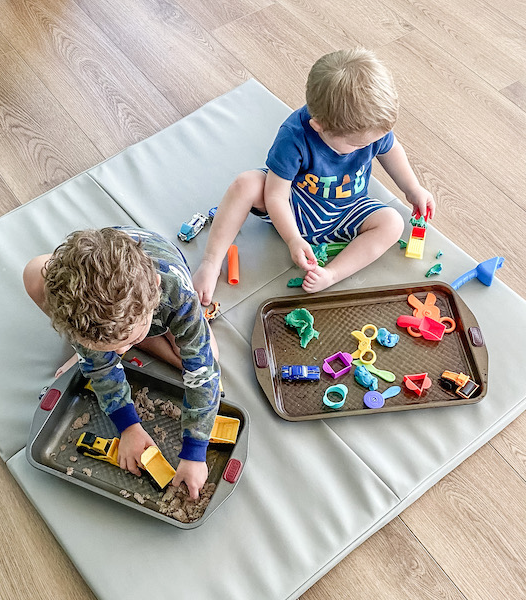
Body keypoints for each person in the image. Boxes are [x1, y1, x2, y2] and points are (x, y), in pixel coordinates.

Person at [193, 47, 435, 305]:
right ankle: (211, 262)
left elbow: (391, 151)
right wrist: (293, 238)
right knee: (245, 184)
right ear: (319, 126)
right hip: (295, 206)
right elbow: (275, 195)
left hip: (348, 210)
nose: (367, 148)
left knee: (393, 223)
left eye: (372, 142)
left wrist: (412, 188)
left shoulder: (370, 128)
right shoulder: (293, 136)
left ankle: (332, 274)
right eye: (356, 145)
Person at [23, 227, 220, 499]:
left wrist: (195, 453)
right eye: (113, 347)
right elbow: (102, 371)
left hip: (158, 294)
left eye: (127, 342)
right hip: (103, 292)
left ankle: (127, 340)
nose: (122, 351)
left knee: (209, 355)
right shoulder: (83, 317)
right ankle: (102, 345)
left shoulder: (177, 294)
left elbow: (204, 375)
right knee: (34, 272)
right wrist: (129, 426)